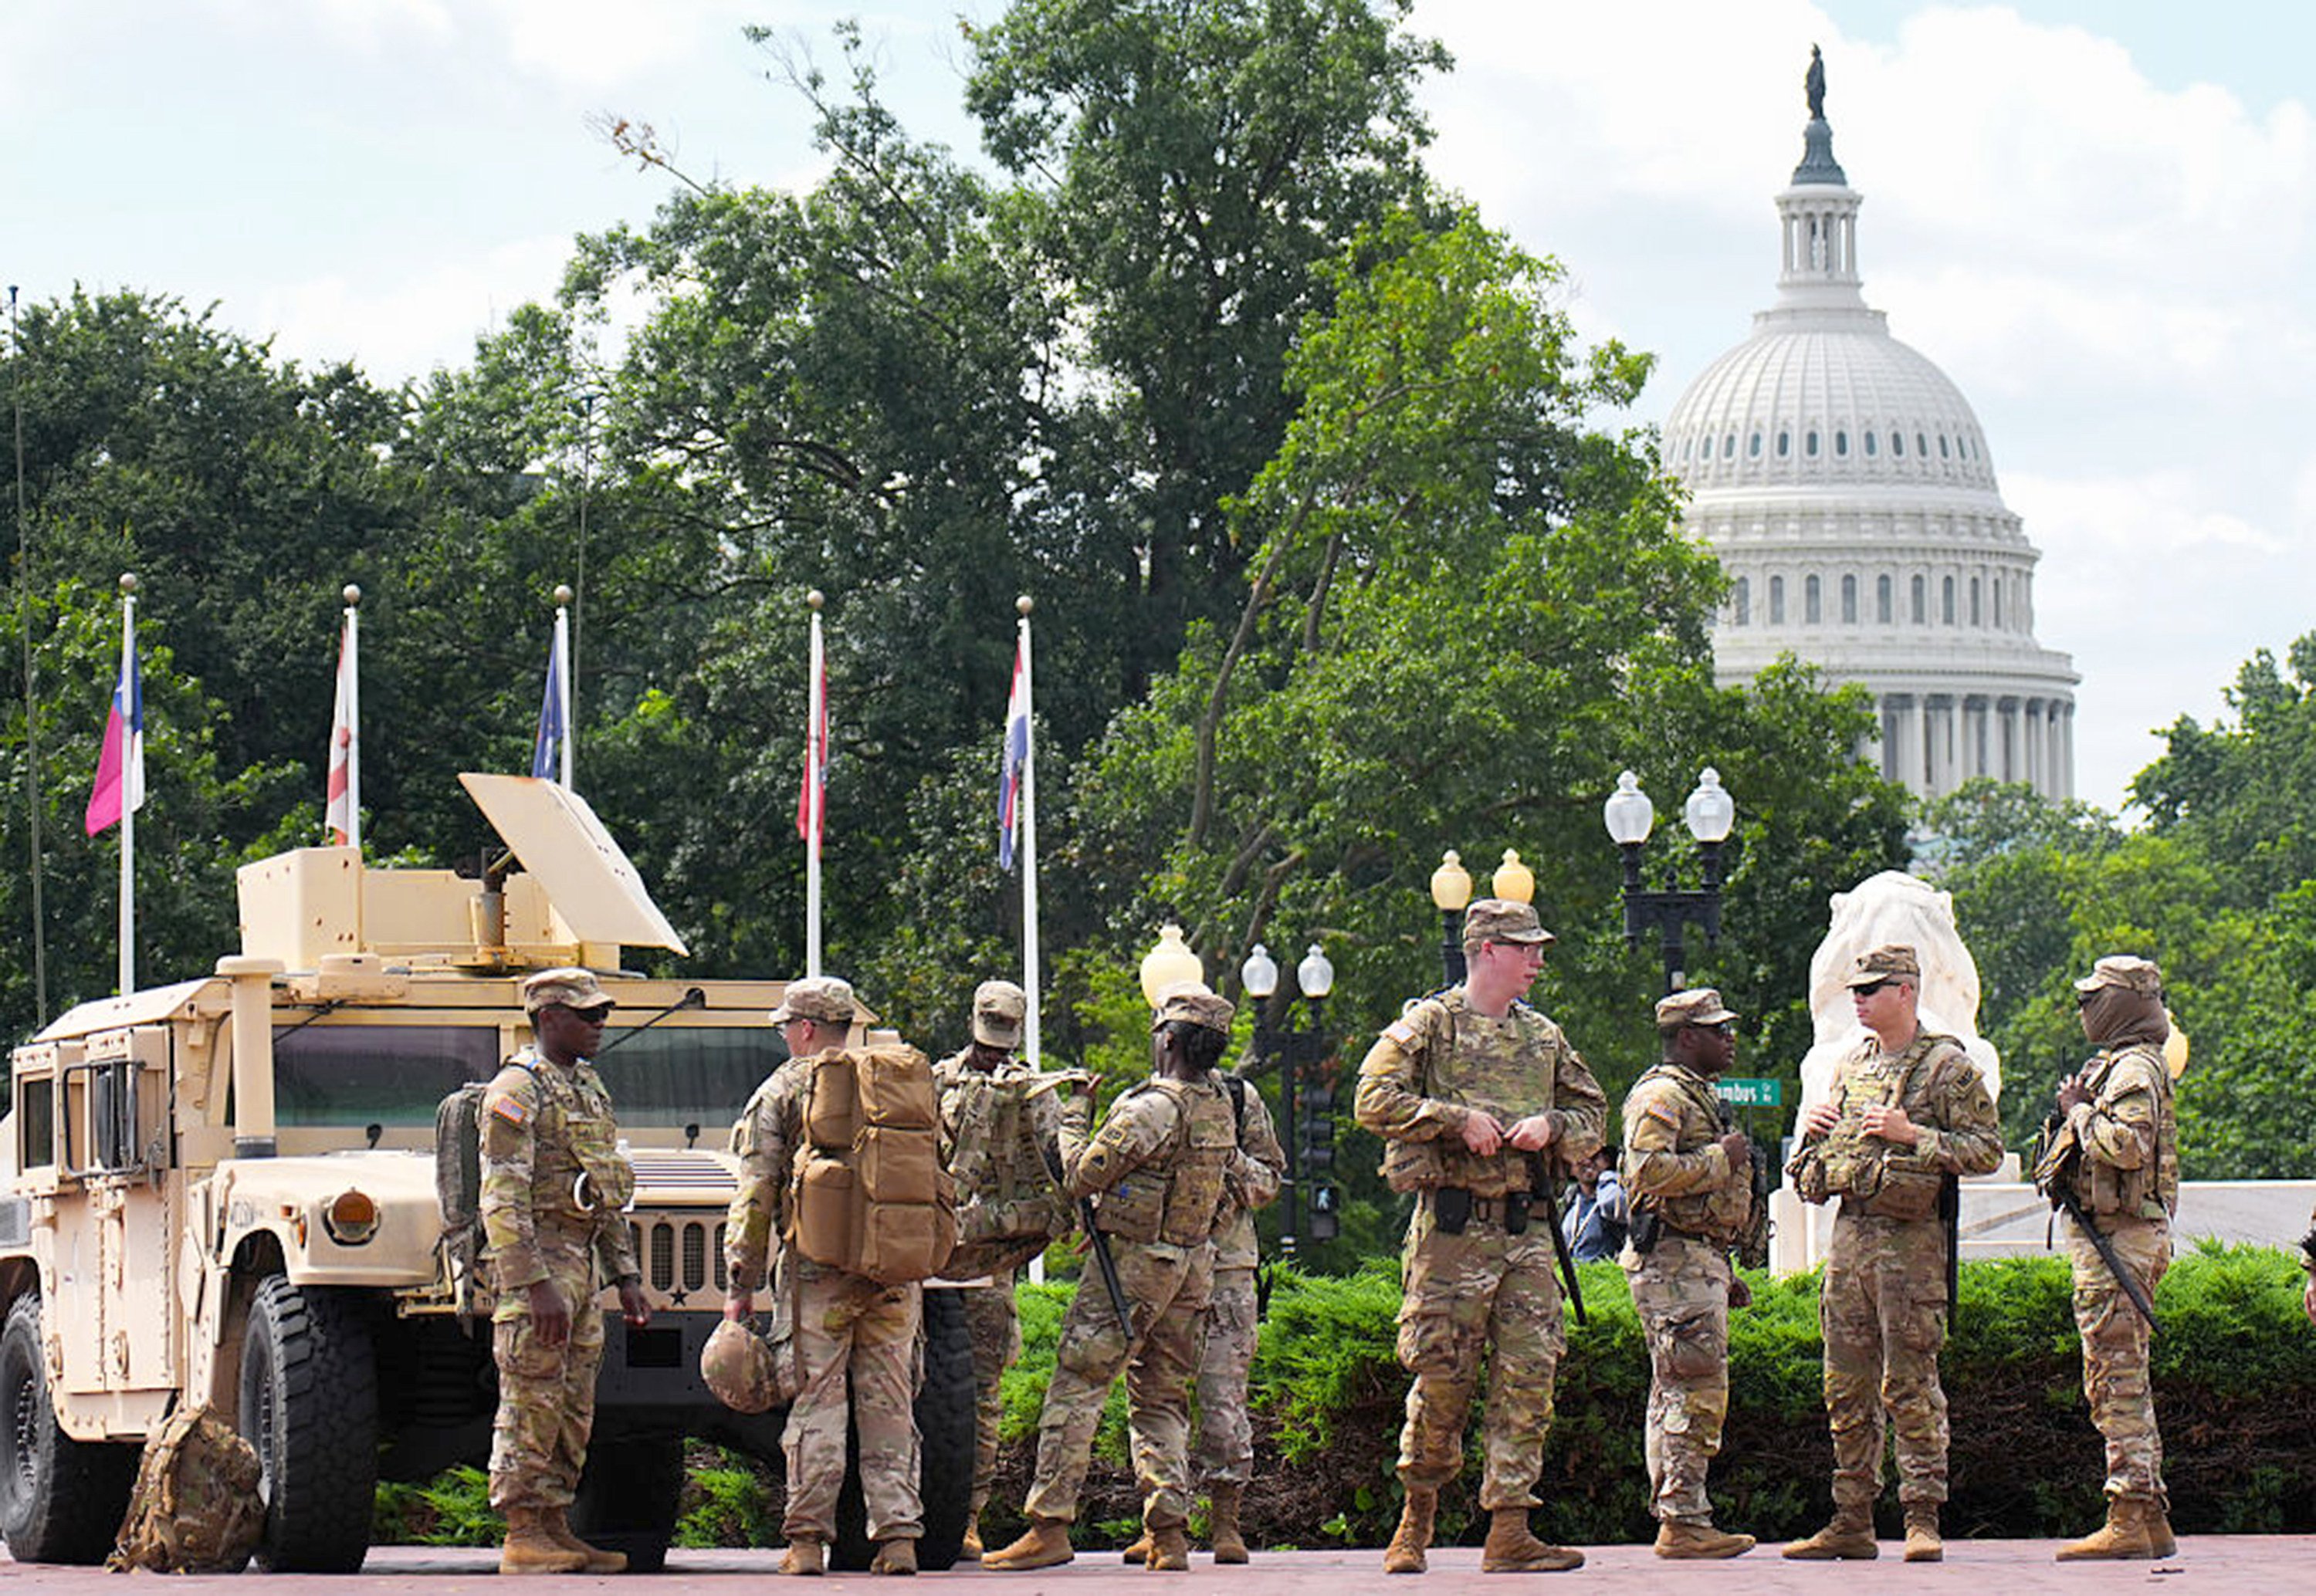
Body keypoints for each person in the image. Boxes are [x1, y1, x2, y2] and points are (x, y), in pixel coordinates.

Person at [1353, 898, 1608, 1575]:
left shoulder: (1544, 1037)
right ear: (1487, 949)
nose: (1538, 962)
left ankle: (1511, 1530)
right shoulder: (1431, 1025)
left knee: (1529, 1379)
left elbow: (1594, 1113)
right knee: (1441, 1377)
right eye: (1527, 949)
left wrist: (1553, 1126)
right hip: (1453, 1235)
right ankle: (1416, 1521)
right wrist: (1451, 1118)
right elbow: (1371, 1099)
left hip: (1526, 1234)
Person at [982, 983, 1256, 1573]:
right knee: (1160, 1399)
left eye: (1160, 1031)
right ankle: (1169, 1533)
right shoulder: (1218, 1105)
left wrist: (1076, 1109)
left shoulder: (1152, 1107)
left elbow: (1080, 1174)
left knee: (1077, 1385)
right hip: (1191, 1269)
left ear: (1171, 1040)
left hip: (1131, 1270)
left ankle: (1049, 1524)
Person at [1783, 945, 2003, 1564]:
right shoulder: (1851, 1066)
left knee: (1909, 1383)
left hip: (1911, 1253)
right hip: (1850, 1247)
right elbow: (1808, 1171)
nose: (1858, 998)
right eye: (1855, 989)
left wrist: (1915, 1136)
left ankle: (1921, 1516)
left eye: (1872, 988)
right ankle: (1851, 1518)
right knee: (1845, 1386)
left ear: (1906, 991)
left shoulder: (1946, 1067)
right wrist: (1814, 1135)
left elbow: (1987, 1149)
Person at [725, 976, 923, 1577]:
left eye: (788, 1025)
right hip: (893, 1270)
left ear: (806, 1028)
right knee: (891, 1403)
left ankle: (807, 1542)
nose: (786, 1034)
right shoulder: (890, 1080)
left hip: (819, 1272)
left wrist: (741, 1284)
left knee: (818, 1403)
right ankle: (897, 1541)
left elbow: (756, 1192)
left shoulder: (782, 1089)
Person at [479, 967, 651, 1576]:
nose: (599, 1025)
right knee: (532, 1397)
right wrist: (532, 1283)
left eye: (602, 1014)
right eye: (587, 1015)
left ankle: (555, 1525)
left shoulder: (587, 1088)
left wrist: (625, 1274)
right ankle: (522, 1531)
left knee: (574, 1402)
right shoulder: (518, 1089)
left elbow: (601, 1188)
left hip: (581, 1264)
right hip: (541, 1267)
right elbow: (501, 1196)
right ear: (548, 1017)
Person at [932, 979, 1076, 1558]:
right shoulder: (938, 1079)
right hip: (928, 1261)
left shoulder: (1035, 1093)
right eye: (987, 1037)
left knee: (981, 1396)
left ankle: (966, 1517)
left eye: (1004, 1039)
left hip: (990, 1264)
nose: (994, 1050)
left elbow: (1058, 1167)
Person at [1121, 1057, 1282, 1564]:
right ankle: (1163, 1521)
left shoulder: (1239, 1099)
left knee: (1223, 1400)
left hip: (1227, 1270)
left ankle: (1225, 1521)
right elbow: (1119, 1186)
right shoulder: (1142, 1102)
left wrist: (1222, 1155)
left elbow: (1268, 1183)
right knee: (1155, 1395)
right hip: (1163, 1269)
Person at [1619, 989, 1756, 1560]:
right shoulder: (1663, 1095)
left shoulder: (1695, 1094)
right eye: (1716, 1030)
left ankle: (1681, 1514)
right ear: (1686, 1037)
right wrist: (1721, 1158)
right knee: (1692, 1389)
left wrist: (1721, 1268)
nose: (1730, 1039)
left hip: (1694, 1260)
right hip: (1674, 1263)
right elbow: (1647, 1170)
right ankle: (1683, 1520)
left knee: (1679, 1386)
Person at [2051, 955, 2179, 1560]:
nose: (2084, 1010)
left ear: (2126, 1002)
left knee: (2116, 1381)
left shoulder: (2131, 1068)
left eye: (2095, 998)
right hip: (2118, 1237)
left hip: (2121, 1240)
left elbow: (2128, 1146)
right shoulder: (2127, 1063)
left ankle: (2128, 1514)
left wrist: (2079, 1111)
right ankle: (2148, 1517)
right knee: (2123, 1376)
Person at [1562, 1146, 1628, 1263]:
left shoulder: (1613, 1191)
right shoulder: (1571, 1198)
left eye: (1594, 1156)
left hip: (1605, 1276)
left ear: (1607, 1161)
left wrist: (1608, 1176)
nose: (1587, 1162)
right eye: (1580, 1157)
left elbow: (1613, 1205)